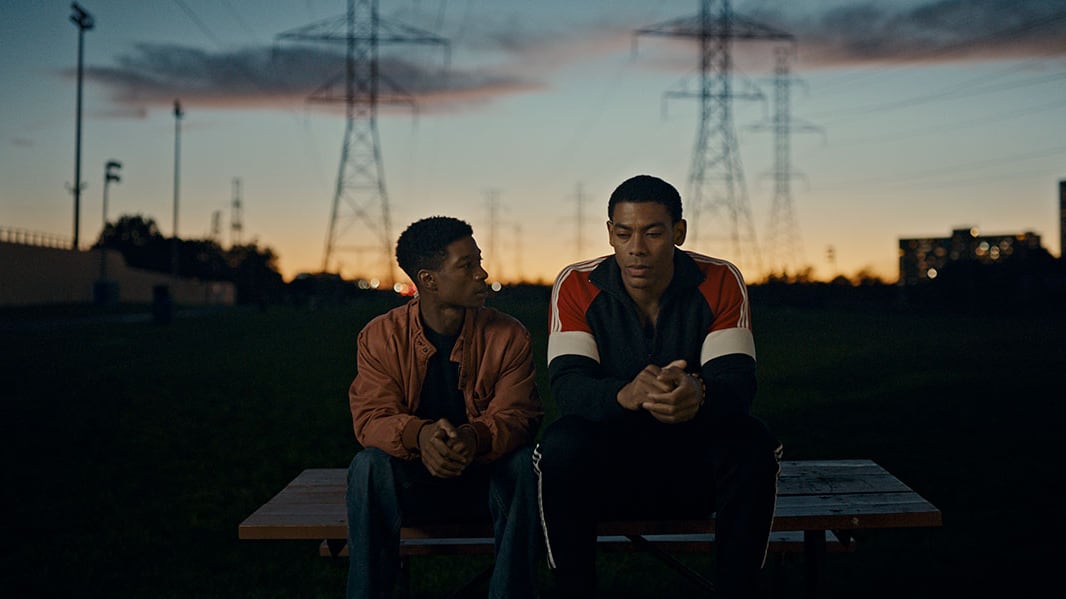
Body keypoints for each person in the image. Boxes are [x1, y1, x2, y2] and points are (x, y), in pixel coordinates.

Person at [533, 174, 782, 598]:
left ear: (678, 232)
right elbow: (569, 388)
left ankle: (738, 589)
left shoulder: (720, 279)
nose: (637, 248)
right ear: (610, 233)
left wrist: (697, 393)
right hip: (609, 469)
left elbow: (737, 383)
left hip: (693, 466)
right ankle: (574, 590)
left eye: (653, 232)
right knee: (561, 444)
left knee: (752, 442)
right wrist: (625, 394)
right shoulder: (576, 283)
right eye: (624, 233)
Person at [345, 216, 543, 599]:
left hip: (485, 480)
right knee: (367, 467)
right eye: (466, 266)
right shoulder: (380, 336)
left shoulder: (509, 334)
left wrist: (472, 437)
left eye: (479, 260)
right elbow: (371, 417)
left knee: (524, 466)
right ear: (429, 280)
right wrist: (421, 436)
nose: (482, 273)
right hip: (414, 483)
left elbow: (520, 416)